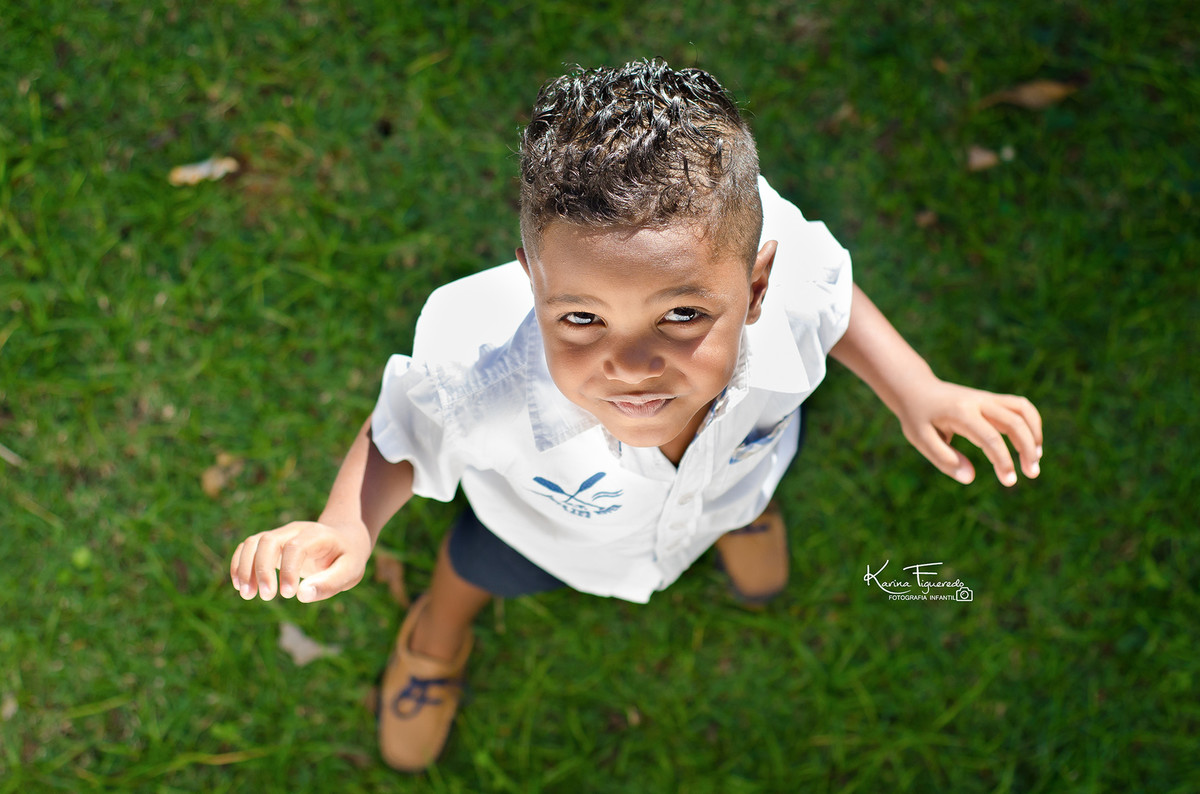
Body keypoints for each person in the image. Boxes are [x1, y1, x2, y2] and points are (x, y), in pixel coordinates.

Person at [229, 59, 1043, 773]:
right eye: (581, 319)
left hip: (735, 475)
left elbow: (832, 296)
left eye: (683, 314)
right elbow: (400, 436)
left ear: (757, 287)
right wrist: (349, 526)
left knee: (741, 494)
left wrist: (916, 390)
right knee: (475, 570)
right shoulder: (482, 369)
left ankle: (740, 524)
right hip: (542, 532)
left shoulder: (782, 271)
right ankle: (436, 642)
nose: (631, 363)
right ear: (534, 283)